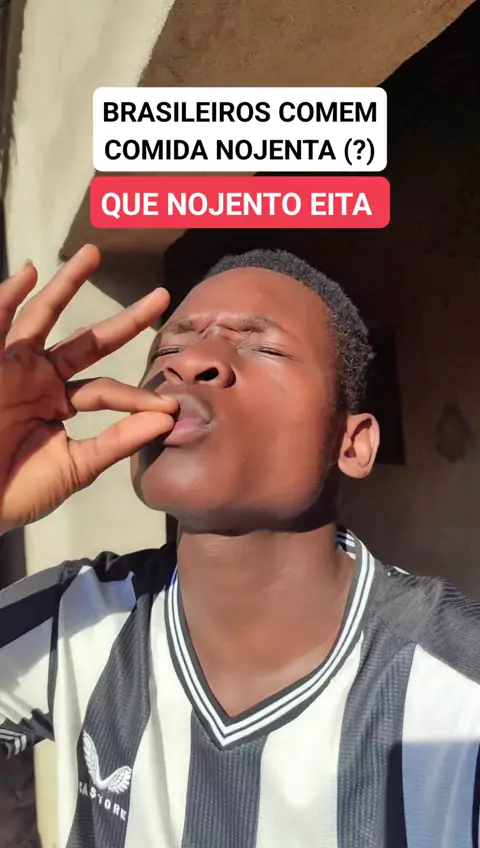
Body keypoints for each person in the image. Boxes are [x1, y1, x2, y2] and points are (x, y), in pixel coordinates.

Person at [0, 244, 479, 848]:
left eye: (264, 347)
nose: (191, 362)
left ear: (353, 443)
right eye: (168, 350)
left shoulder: (458, 690)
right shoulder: (72, 620)